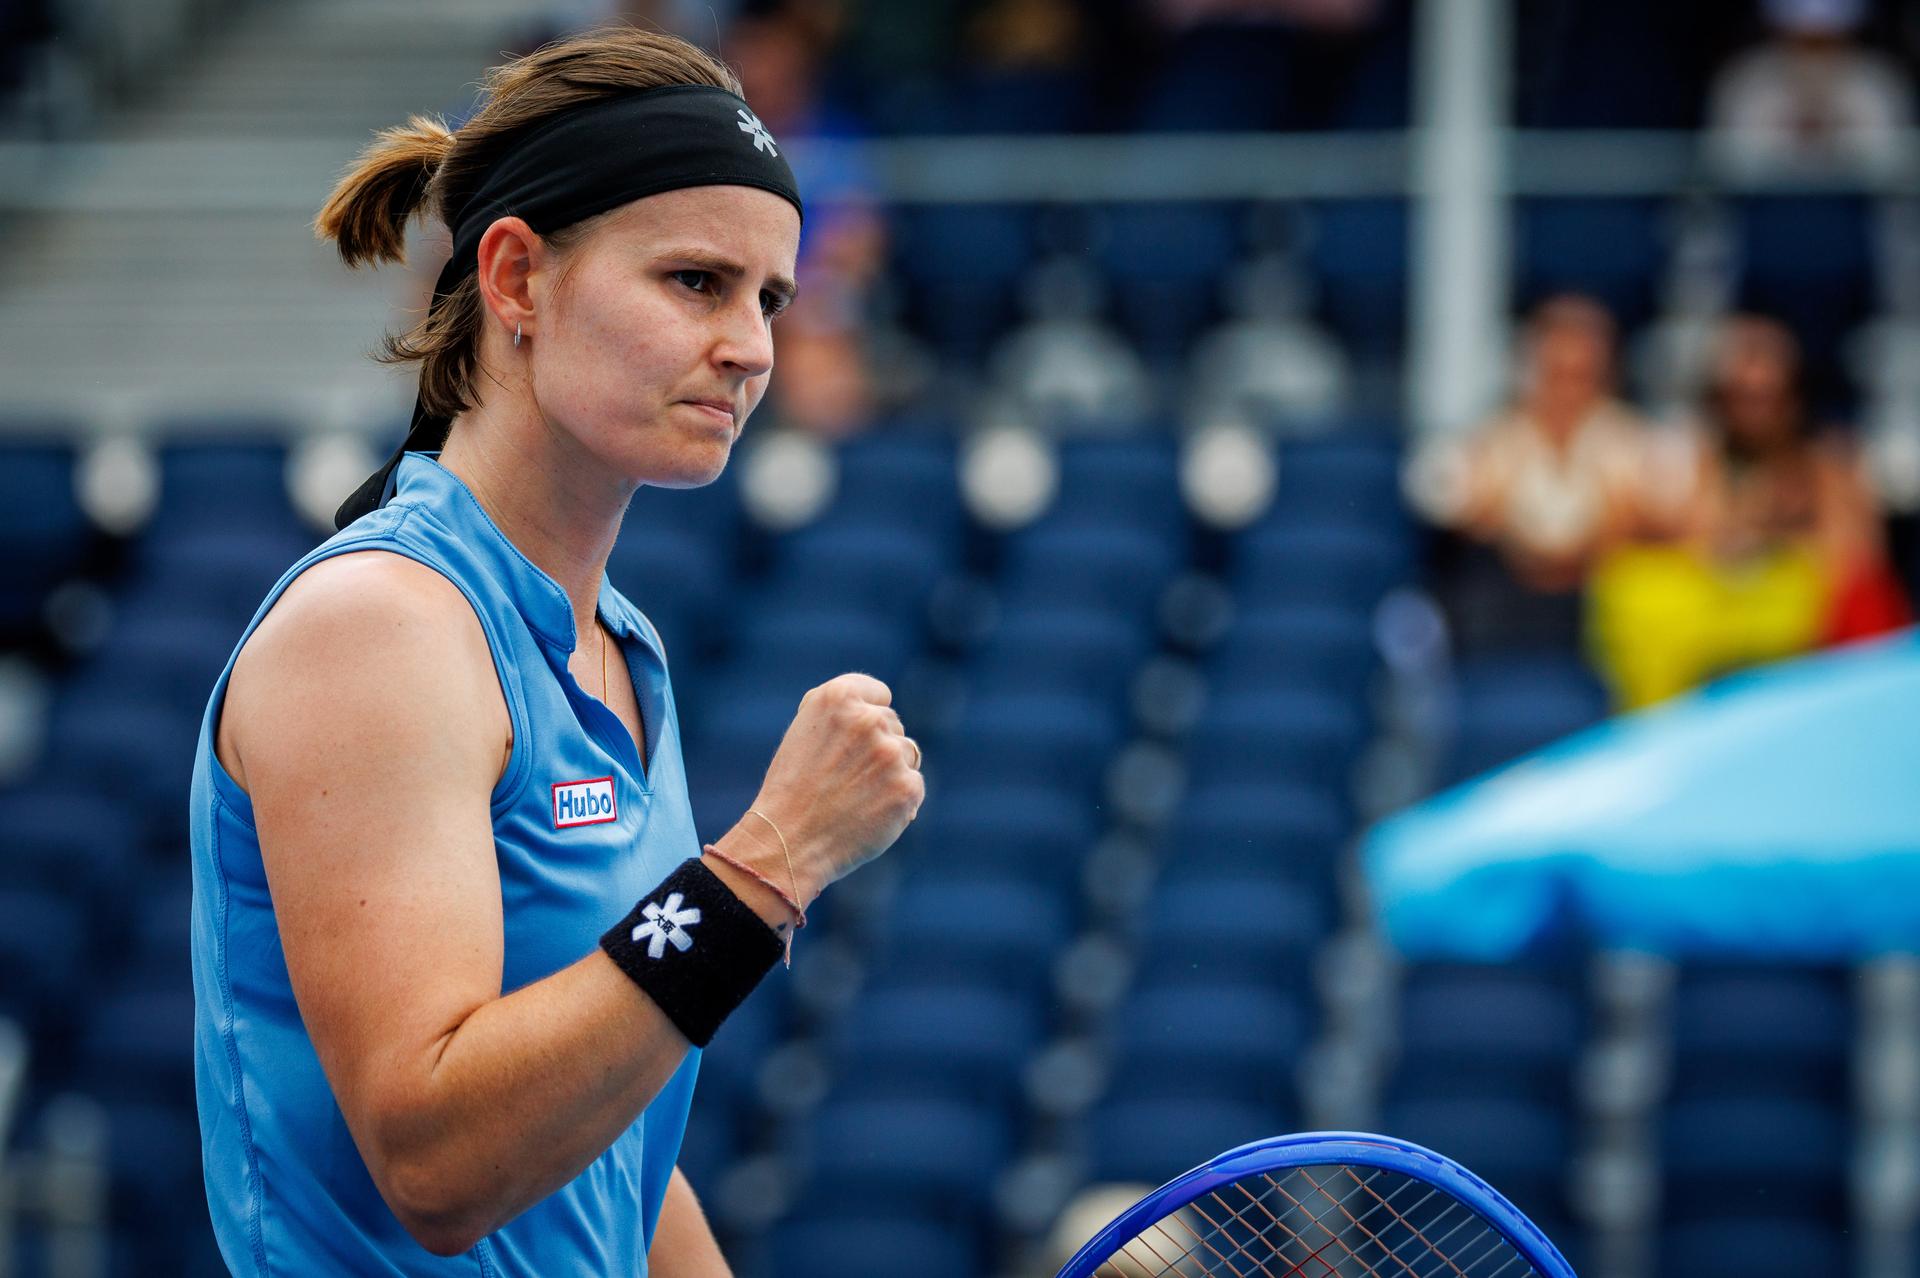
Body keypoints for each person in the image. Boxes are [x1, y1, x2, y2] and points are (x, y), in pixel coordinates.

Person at [189, 27, 924, 1275]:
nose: (752, 346)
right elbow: (438, 1164)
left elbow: (602, 1143)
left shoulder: (620, 645)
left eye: (770, 298)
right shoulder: (379, 627)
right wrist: (772, 862)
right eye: (696, 281)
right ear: (517, 279)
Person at [1588, 314, 1907, 708]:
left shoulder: (1829, 462)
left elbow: (1857, 560)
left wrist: (1784, 532)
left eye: (1766, 397)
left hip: (1802, 628)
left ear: (1794, 399)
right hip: (1720, 616)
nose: (1753, 411)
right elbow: (1693, 541)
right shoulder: (1700, 456)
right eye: (1739, 397)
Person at [1407, 294, 1653, 652]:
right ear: (1530, 374)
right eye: (1555, 376)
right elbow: (1458, 508)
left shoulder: (1635, 443)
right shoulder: (1489, 441)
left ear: (1606, 379)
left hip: (1596, 610)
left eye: (1580, 378)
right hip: (1508, 603)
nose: (1567, 393)